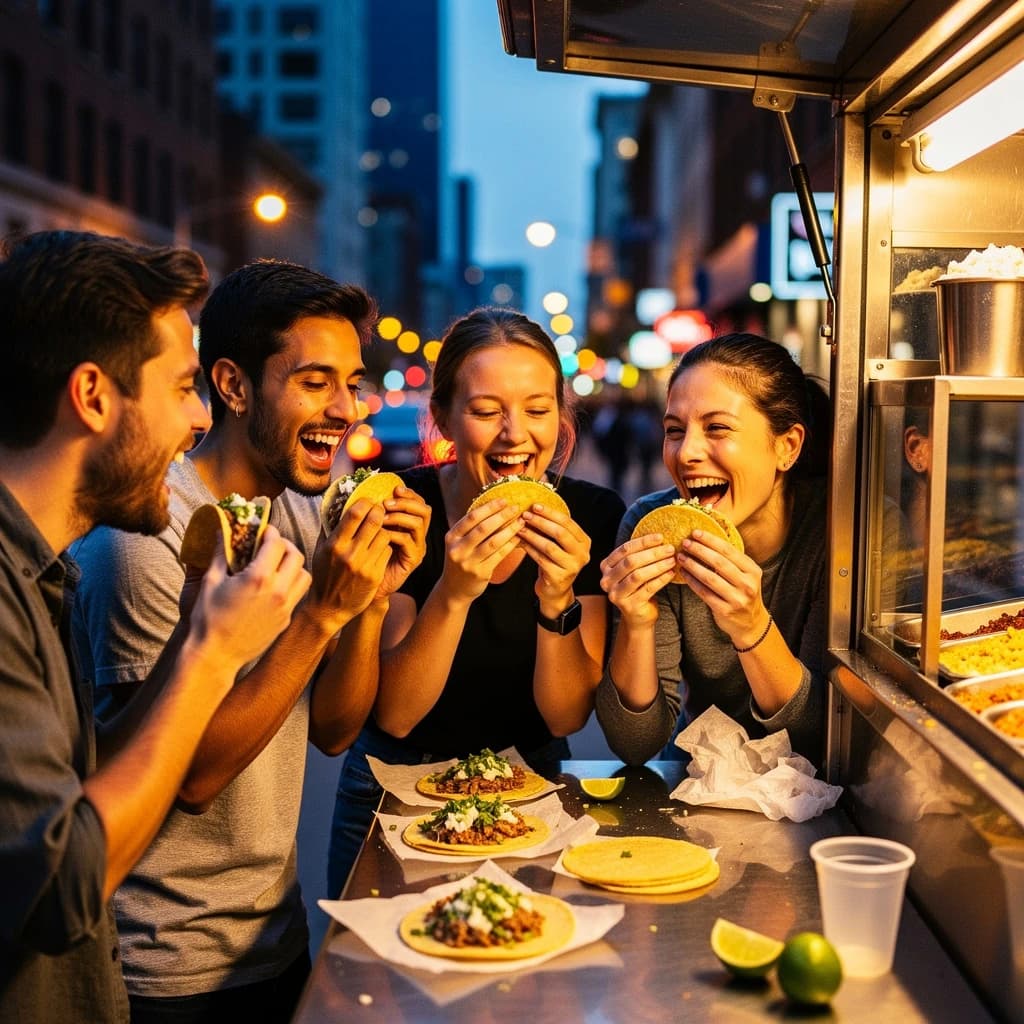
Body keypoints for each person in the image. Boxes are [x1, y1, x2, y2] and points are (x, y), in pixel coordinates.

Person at [70, 260, 430, 1023]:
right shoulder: (150, 536)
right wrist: (320, 615)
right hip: (167, 968)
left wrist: (370, 597)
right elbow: (193, 781)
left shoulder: (299, 513)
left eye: (353, 383)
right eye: (314, 382)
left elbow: (334, 730)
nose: (348, 410)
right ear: (232, 386)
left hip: (275, 933)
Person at [0, 231, 311, 1024]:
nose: (199, 418)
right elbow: (62, 886)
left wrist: (195, 621)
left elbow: (88, 777)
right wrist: (214, 654)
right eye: (180, 388)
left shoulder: (46, 572)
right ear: (95, 395)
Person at [326, 307, 626, 895]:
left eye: (538, 410)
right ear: (443, 417)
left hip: (532, 780)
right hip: (391, 788)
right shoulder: (402, 508)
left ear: (561, 418)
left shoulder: (590, 516)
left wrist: (556, 593)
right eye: (487, 411)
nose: (515, 433)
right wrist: (454, 590)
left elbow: (566, 716)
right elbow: (397, 715)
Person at [595, 332, 831, 766]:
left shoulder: (839, 532)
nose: (686, 454)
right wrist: (638, 621)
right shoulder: (648, 526)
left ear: (787, 446)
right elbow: (634, 745)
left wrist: (750, 624)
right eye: (674, 431)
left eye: (717, 428)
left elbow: (820, 738)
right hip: (696, 780)